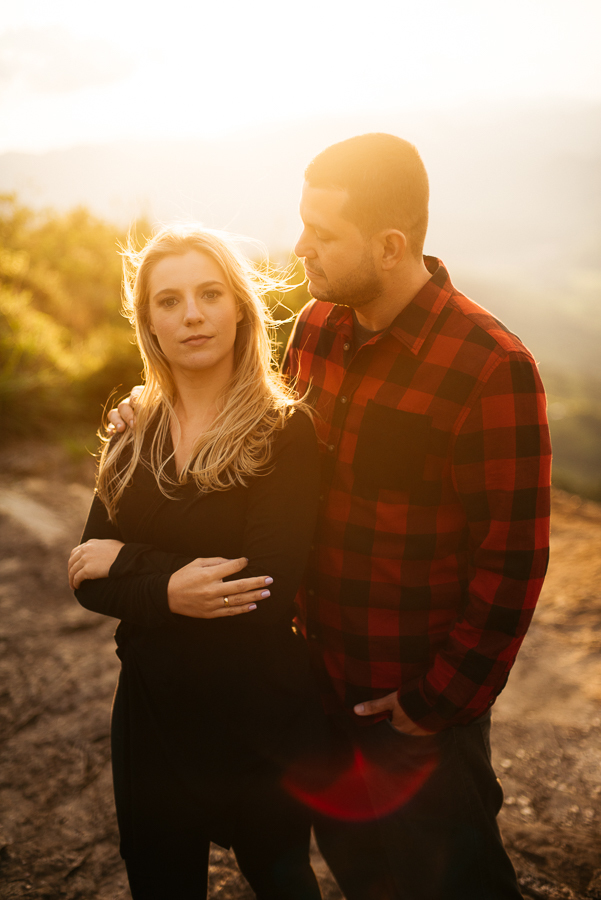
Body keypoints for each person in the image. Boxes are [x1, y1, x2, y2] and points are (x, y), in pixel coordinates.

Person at [110, 134, 552, 899]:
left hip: (411, 708)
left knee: (453, 883)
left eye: (321, 233)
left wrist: (433, 704)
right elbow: (251, 433)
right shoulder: (316, 327)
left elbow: (512, 564)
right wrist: (151, 405)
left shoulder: (490, 368)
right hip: (314, 687)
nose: (299, 246)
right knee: (364, 878)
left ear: (389, 246)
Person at [68, 225, 329, 900]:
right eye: (170, 300)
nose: (192, 314)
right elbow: (88, 579)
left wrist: (133, 562)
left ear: (239, 307)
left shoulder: (283, 430)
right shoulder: (133, 429)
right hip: (151, 714)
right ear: (149, 322)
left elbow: (263, 593)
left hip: (258, 717)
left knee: (282, 883)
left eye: (210, 294)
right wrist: (167, 589)